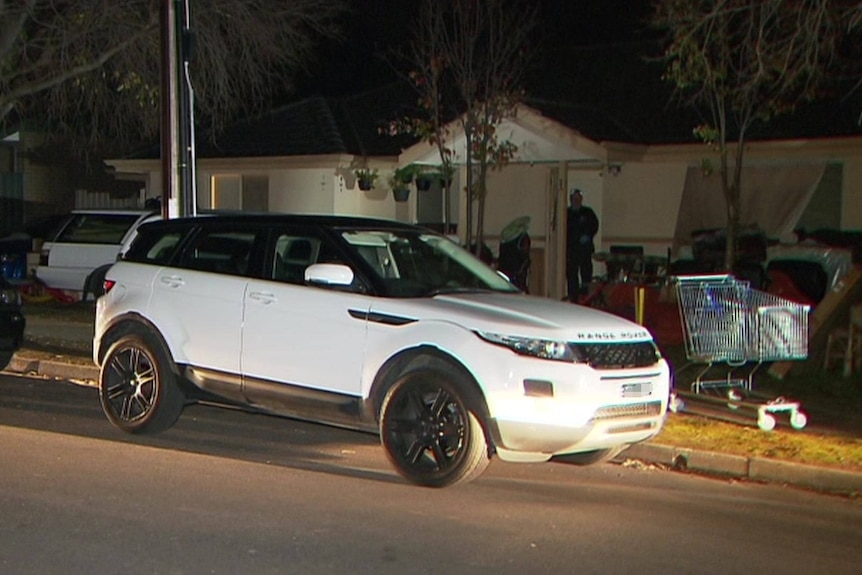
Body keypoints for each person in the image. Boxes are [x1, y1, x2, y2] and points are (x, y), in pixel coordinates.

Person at [566, 188, 599, 302]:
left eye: (578, 198)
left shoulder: (588, 212)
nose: (576, 201)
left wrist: (588, 236)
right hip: (571, 250)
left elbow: (594, 226)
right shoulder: (566, 214)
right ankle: (573, 298)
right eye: (574, 198)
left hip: (585, 250)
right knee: (571, 275)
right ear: (570, 200)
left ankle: (586, 297)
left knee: (586, 274)